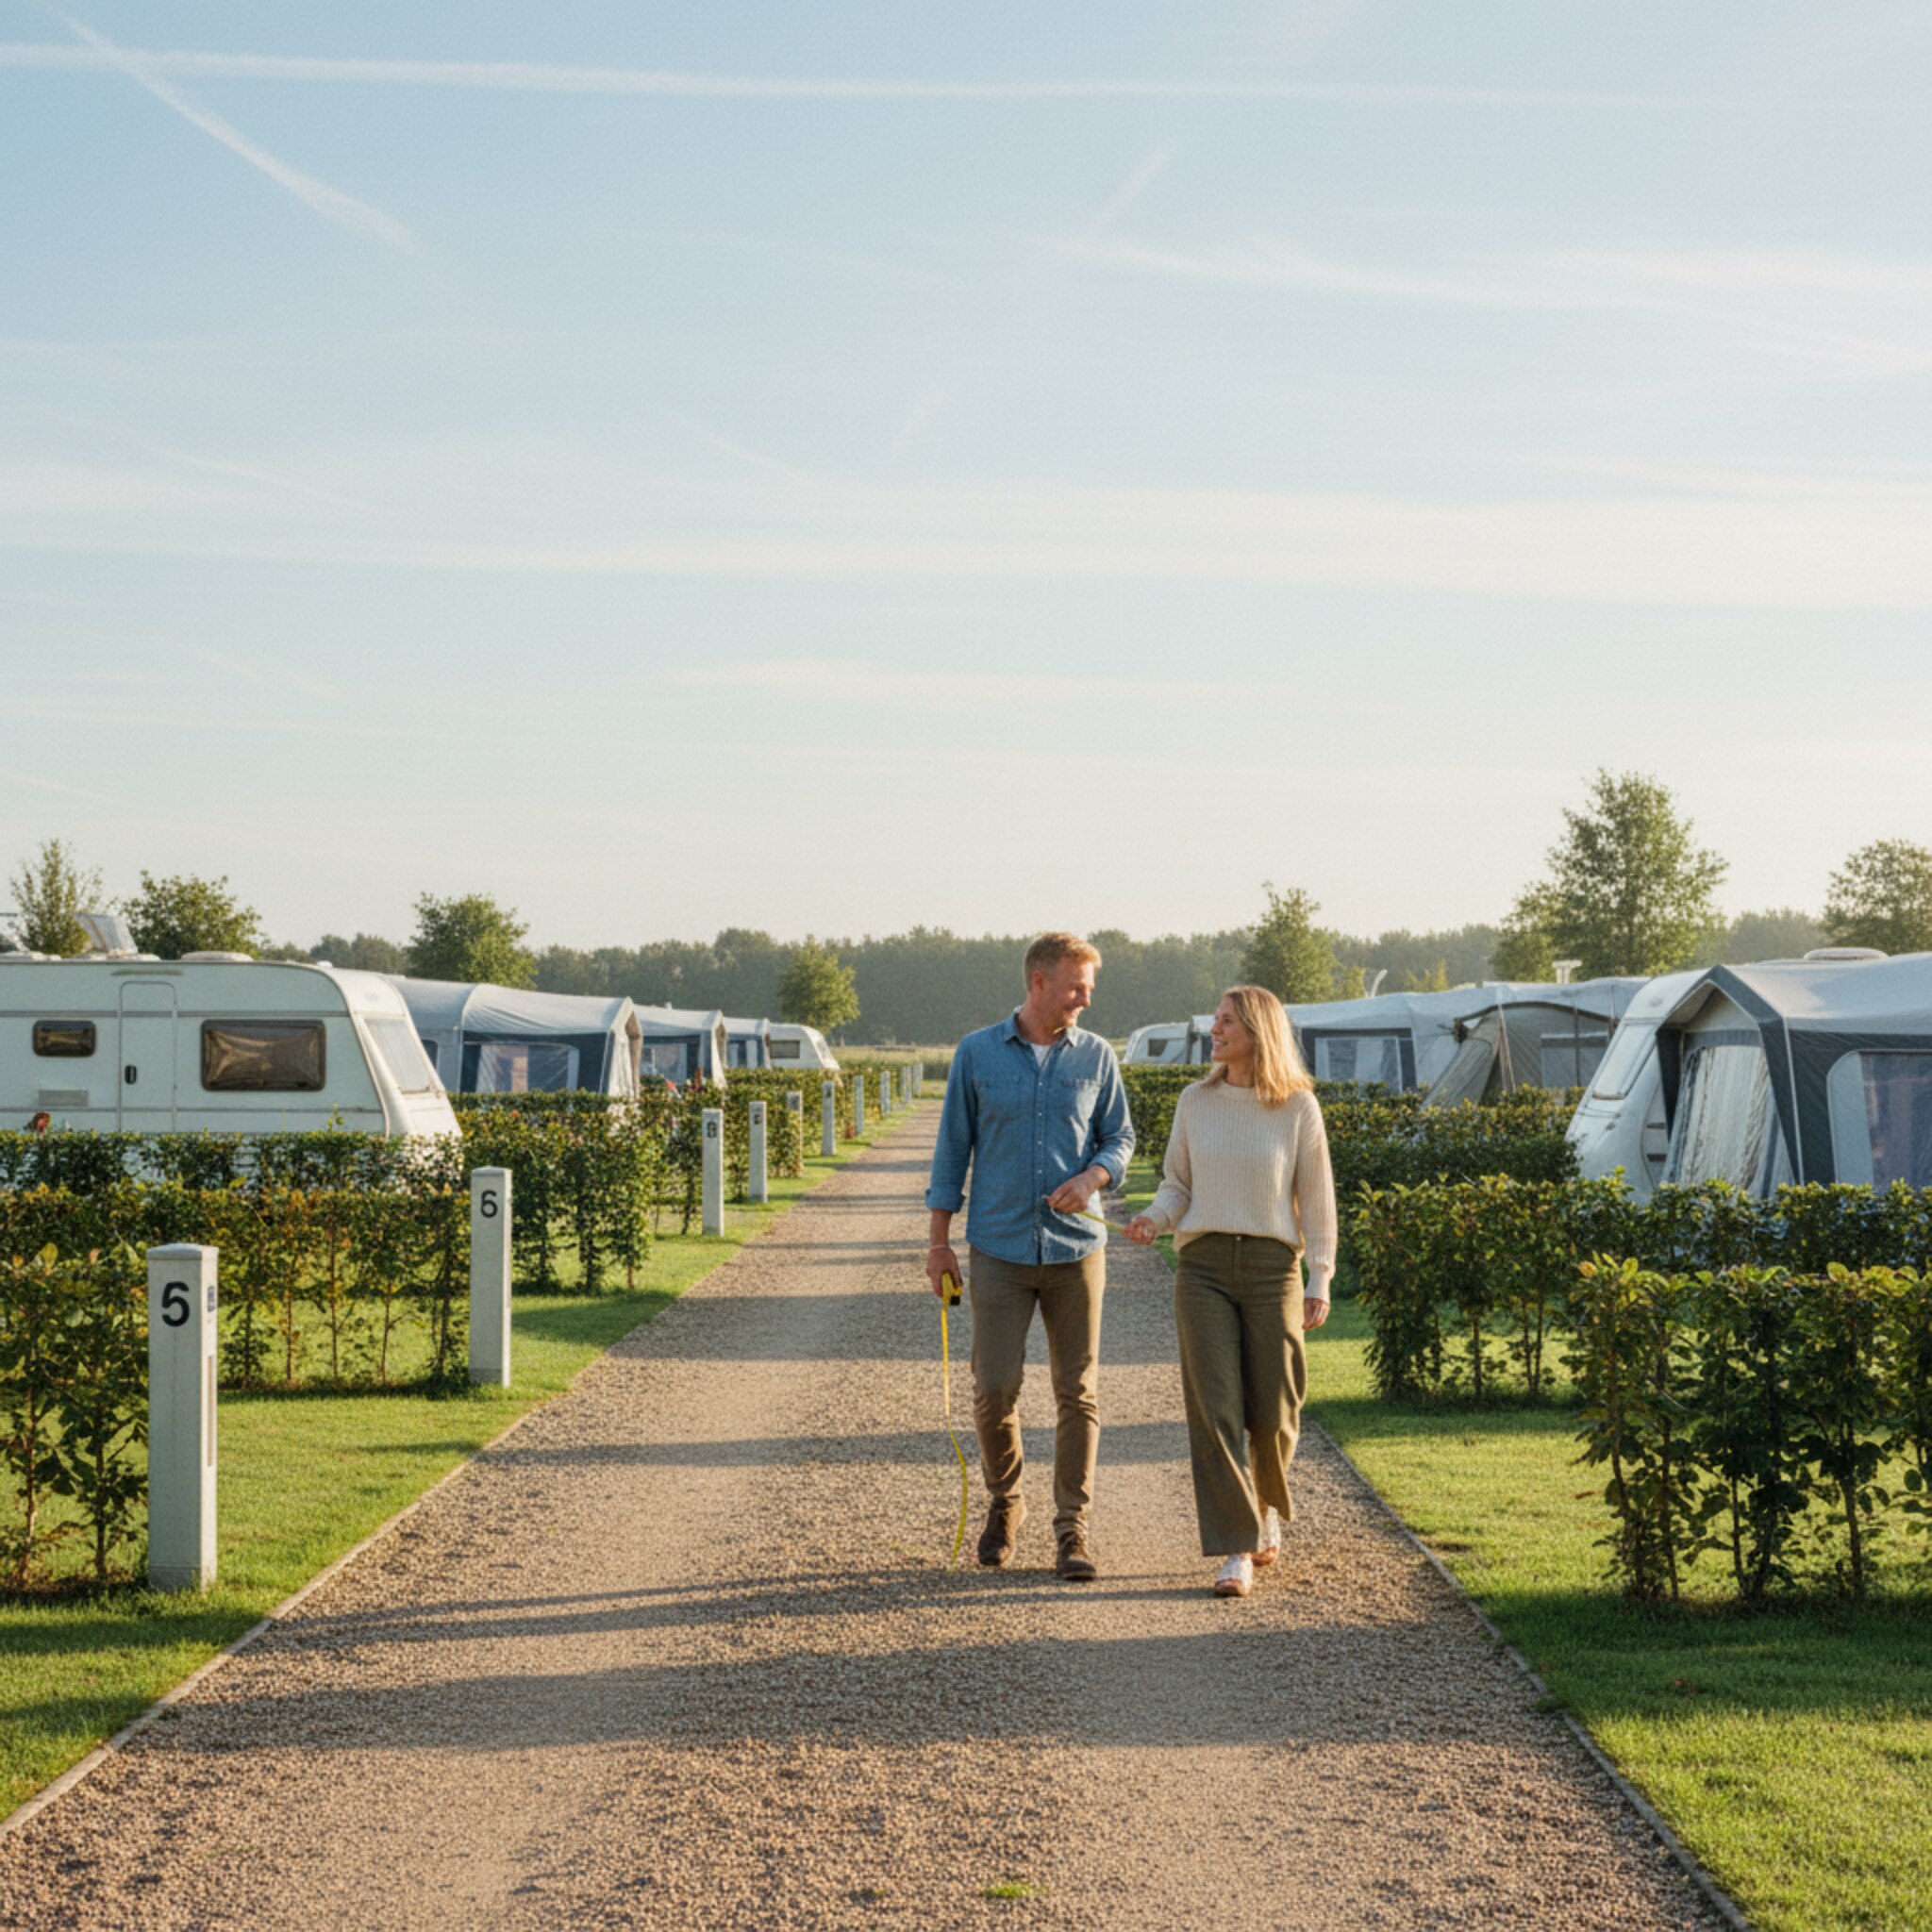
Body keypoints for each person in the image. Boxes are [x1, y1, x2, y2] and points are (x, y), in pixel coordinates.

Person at [925, 933, 1136, 1580]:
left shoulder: (1097, 1057)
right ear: (1039, 981)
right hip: (999, 1248)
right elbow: (952, 1151)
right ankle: (1005, 1500)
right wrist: (938, 1242)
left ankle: (1073, 1529)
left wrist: (1094, 1177)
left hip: (1077, 1252)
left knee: (1078, 1392)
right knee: (993, 1388)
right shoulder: (977, 1053)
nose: (1085, 999)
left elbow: (1120, 1137)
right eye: (1077, 987)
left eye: (1089, 988)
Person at [1125, 985, 1336, 1598]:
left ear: (1257, 1032)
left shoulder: (1297, 1107)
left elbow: (1317, 1200)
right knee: (1215, 1409)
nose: (1214, 1031)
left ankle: (1265, 1505)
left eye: (1226, 1022)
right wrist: (1154, 1219)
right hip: (1204, 1268)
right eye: (1216, 1021)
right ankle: (1236, 1547)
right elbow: (1177, 1185)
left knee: (1276, 1413)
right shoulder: (1195, 1101)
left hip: (1273, 1268)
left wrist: (1320, 1276)